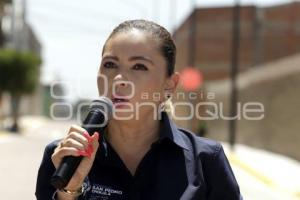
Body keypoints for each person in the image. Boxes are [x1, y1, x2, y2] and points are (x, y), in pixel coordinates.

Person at [36, 19, 242, 200]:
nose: (118, 79)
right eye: (109, 64)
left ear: (169, 85)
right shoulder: (63, 157)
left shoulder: (206, 160)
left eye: (139, 67)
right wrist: (68, 192)